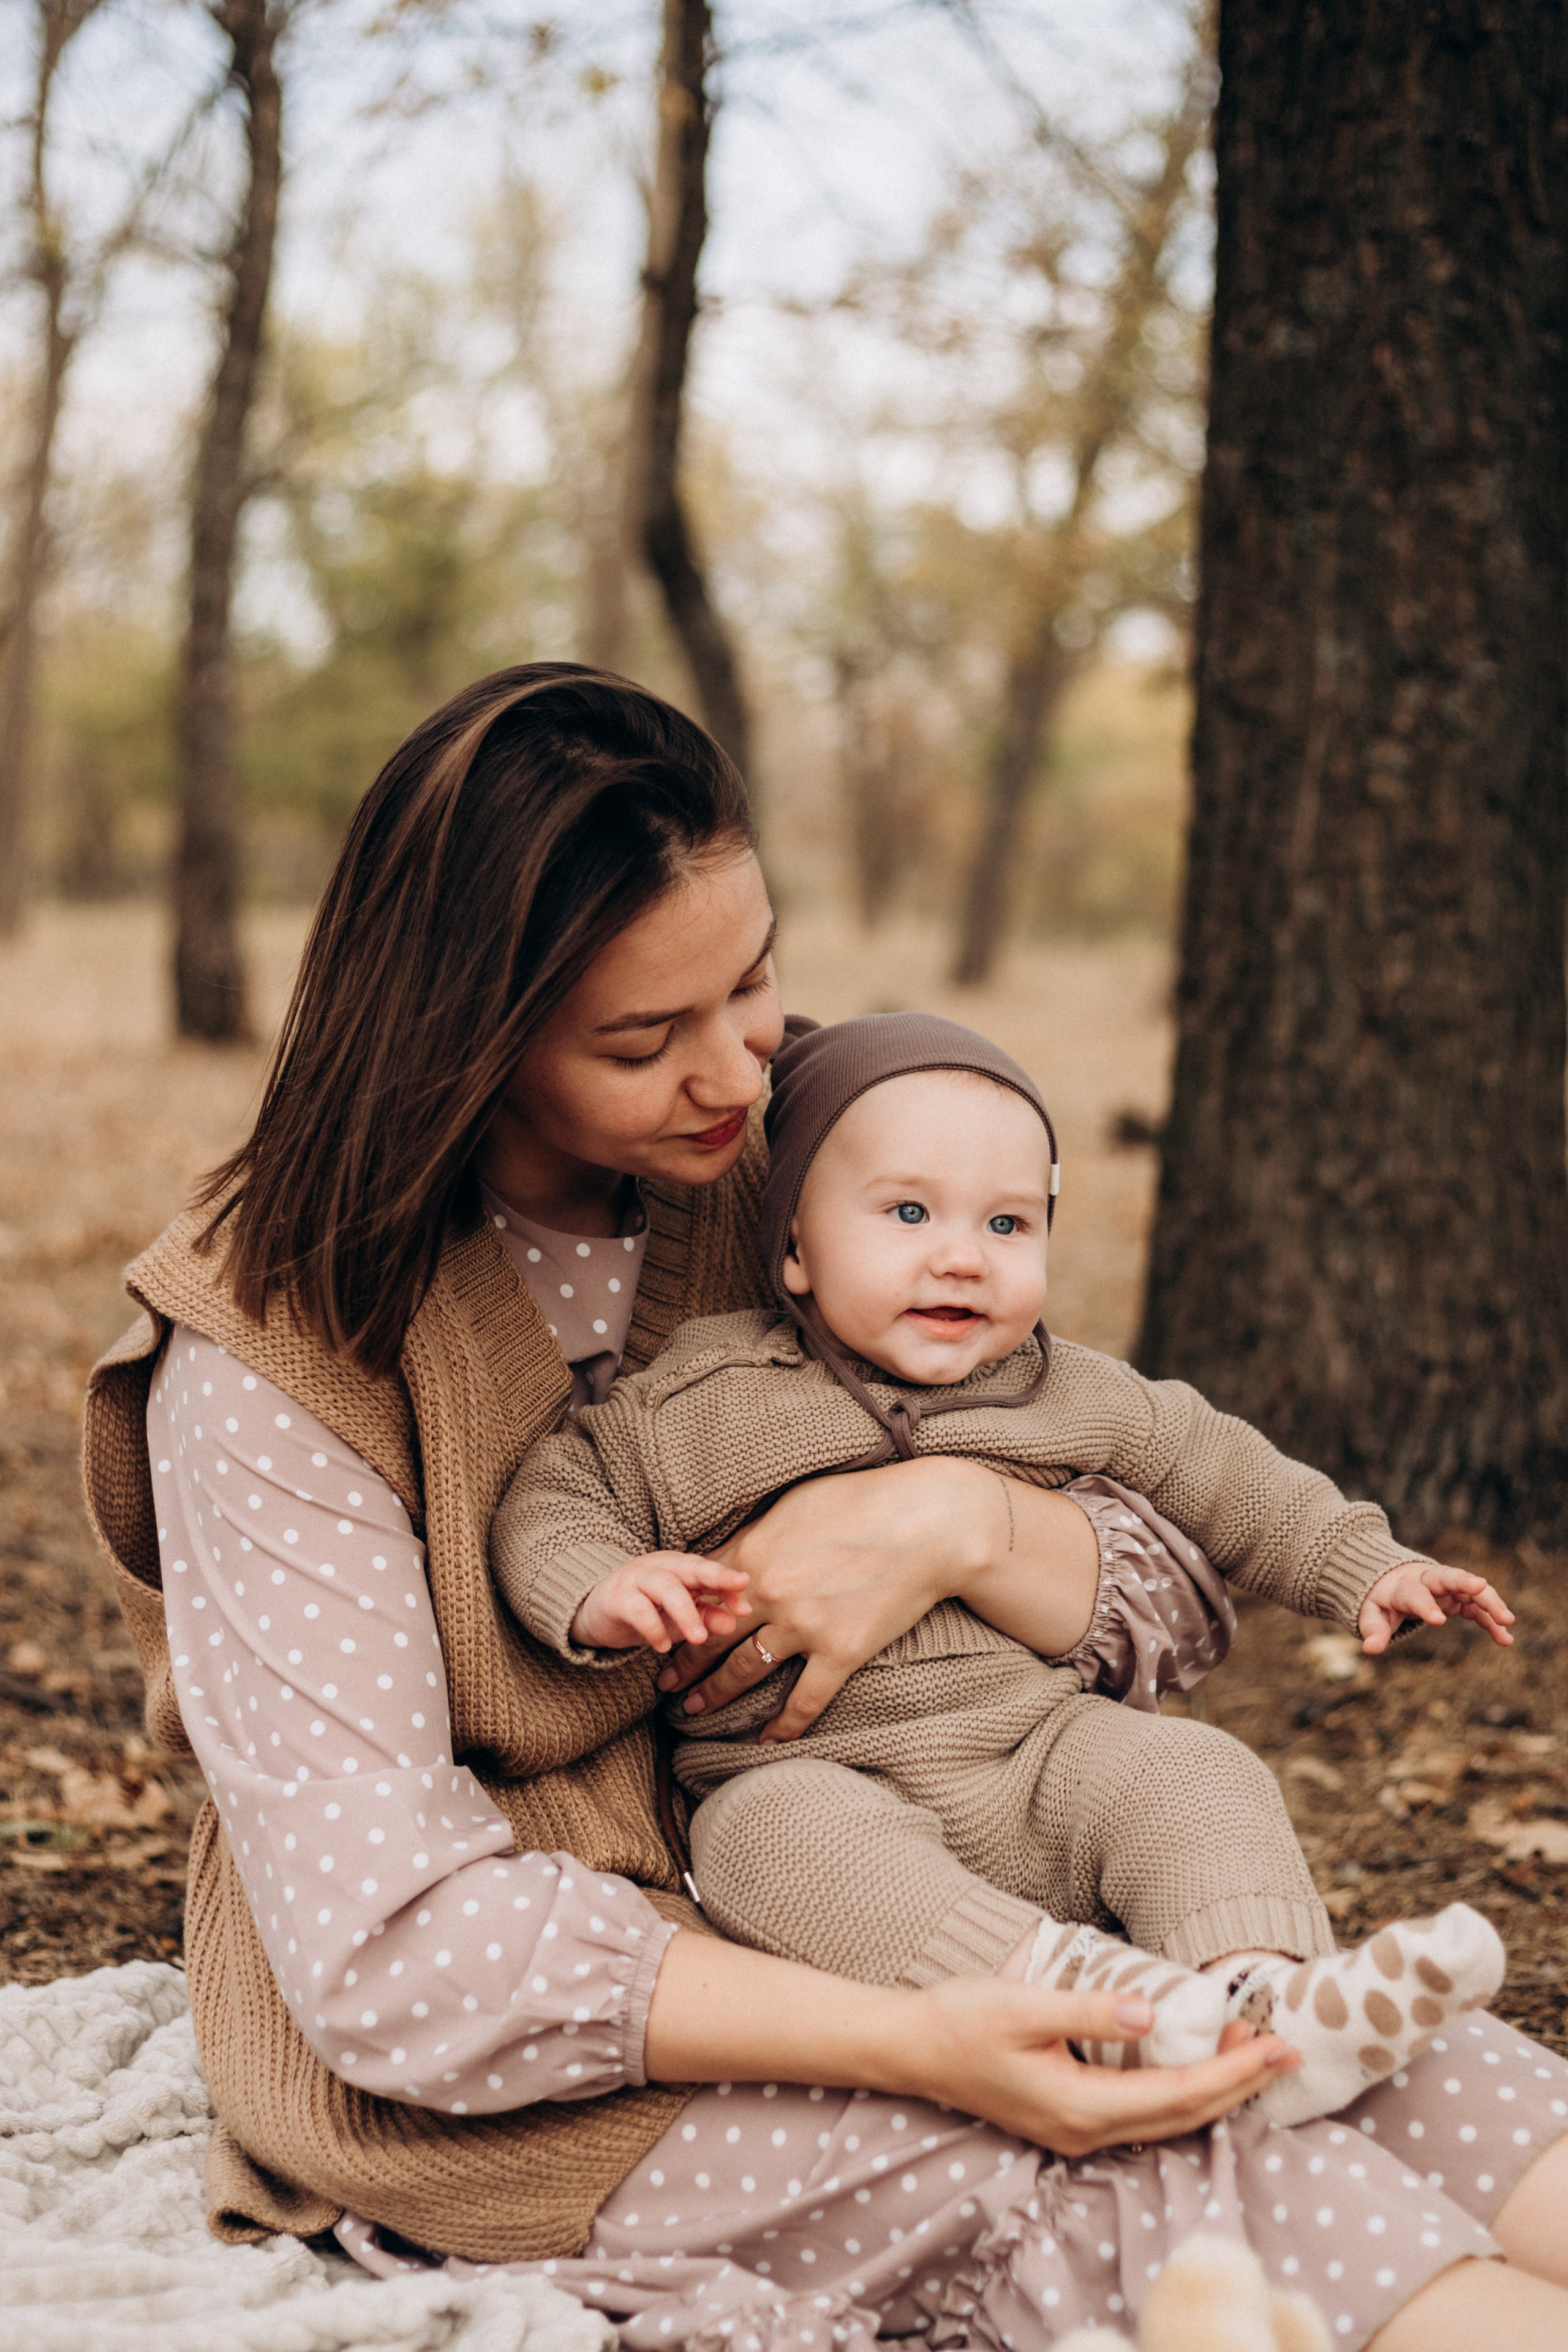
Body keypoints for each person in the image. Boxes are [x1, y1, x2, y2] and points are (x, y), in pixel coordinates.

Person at [81, 666, 1568, 2352]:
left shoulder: (817, 1160)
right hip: (571, 2054)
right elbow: (396, 1954)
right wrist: (923, 2041)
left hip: (941, 1863)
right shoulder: (275, 1353)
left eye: (755, 978)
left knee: (1404, 2074)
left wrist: (955, 1522)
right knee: (1145, 2173)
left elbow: (1168, 1585)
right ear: (462, 1044)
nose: (741, 1069)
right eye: (644, 1040)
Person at [493, 1009, 1510, 2126]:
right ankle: (1092, 2005)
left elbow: (1226, 1473)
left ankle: (1265, 1999)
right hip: (816, 1773)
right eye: (909, 1213)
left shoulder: (1062, 1387)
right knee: (760, 1845)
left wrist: (1363, 1565)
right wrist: (598, 1590)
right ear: (795, 1249)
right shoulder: (702, 1400)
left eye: (1009, 1222)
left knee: (1195, 1773)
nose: (962, 1256)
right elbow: (558, 1494)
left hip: (1041, 1752)